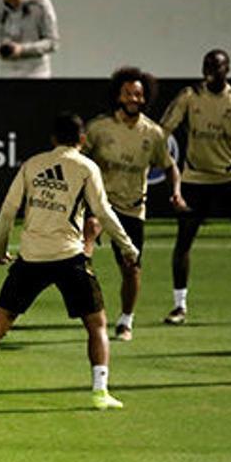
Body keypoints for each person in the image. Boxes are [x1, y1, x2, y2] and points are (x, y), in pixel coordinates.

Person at [0, 114, 138, 411]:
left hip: (31, 257)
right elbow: (103, 212)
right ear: (82, 140)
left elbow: (8, 211)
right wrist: (127, 245)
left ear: (53, 139)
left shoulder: (32, 165)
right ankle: (100, 392)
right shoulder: (87, 168)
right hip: (69, 256)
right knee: (96, 323)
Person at [159, 49, 231, 325]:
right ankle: (179, 306)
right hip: (195, 179)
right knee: (184, 240)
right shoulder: (190, 97)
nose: (210, 70)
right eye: (207, 65)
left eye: (217, 66)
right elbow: (163, 130)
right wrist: (160, 158)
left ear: (228, 70)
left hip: (230, 178)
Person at [83, 67, 185, 341]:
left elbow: (170, 167)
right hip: (99, 205)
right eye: (128, 93)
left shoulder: (153, 133)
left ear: (145, 97)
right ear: (118, 95)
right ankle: (88, 314)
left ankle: (125, 321)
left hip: (131, 209)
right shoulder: (99, 128)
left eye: (138, 94)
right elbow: (76, 158)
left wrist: (176, 191)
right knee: (78, 261)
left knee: (131, 267)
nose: (133, 98)